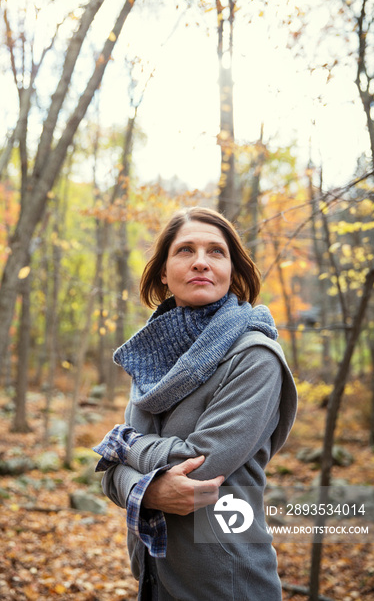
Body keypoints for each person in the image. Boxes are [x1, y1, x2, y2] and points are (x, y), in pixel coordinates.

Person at [93, 207, 297, 600]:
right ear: (164, 273)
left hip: (227, 584)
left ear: (233, 271)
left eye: (216, 252)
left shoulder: (255, 356)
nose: (201, 262)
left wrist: (126, 447)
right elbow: (109, 474)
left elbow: (198, 467)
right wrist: (145, 489)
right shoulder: (152, 359)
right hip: (156, 580)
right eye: (185, 250)